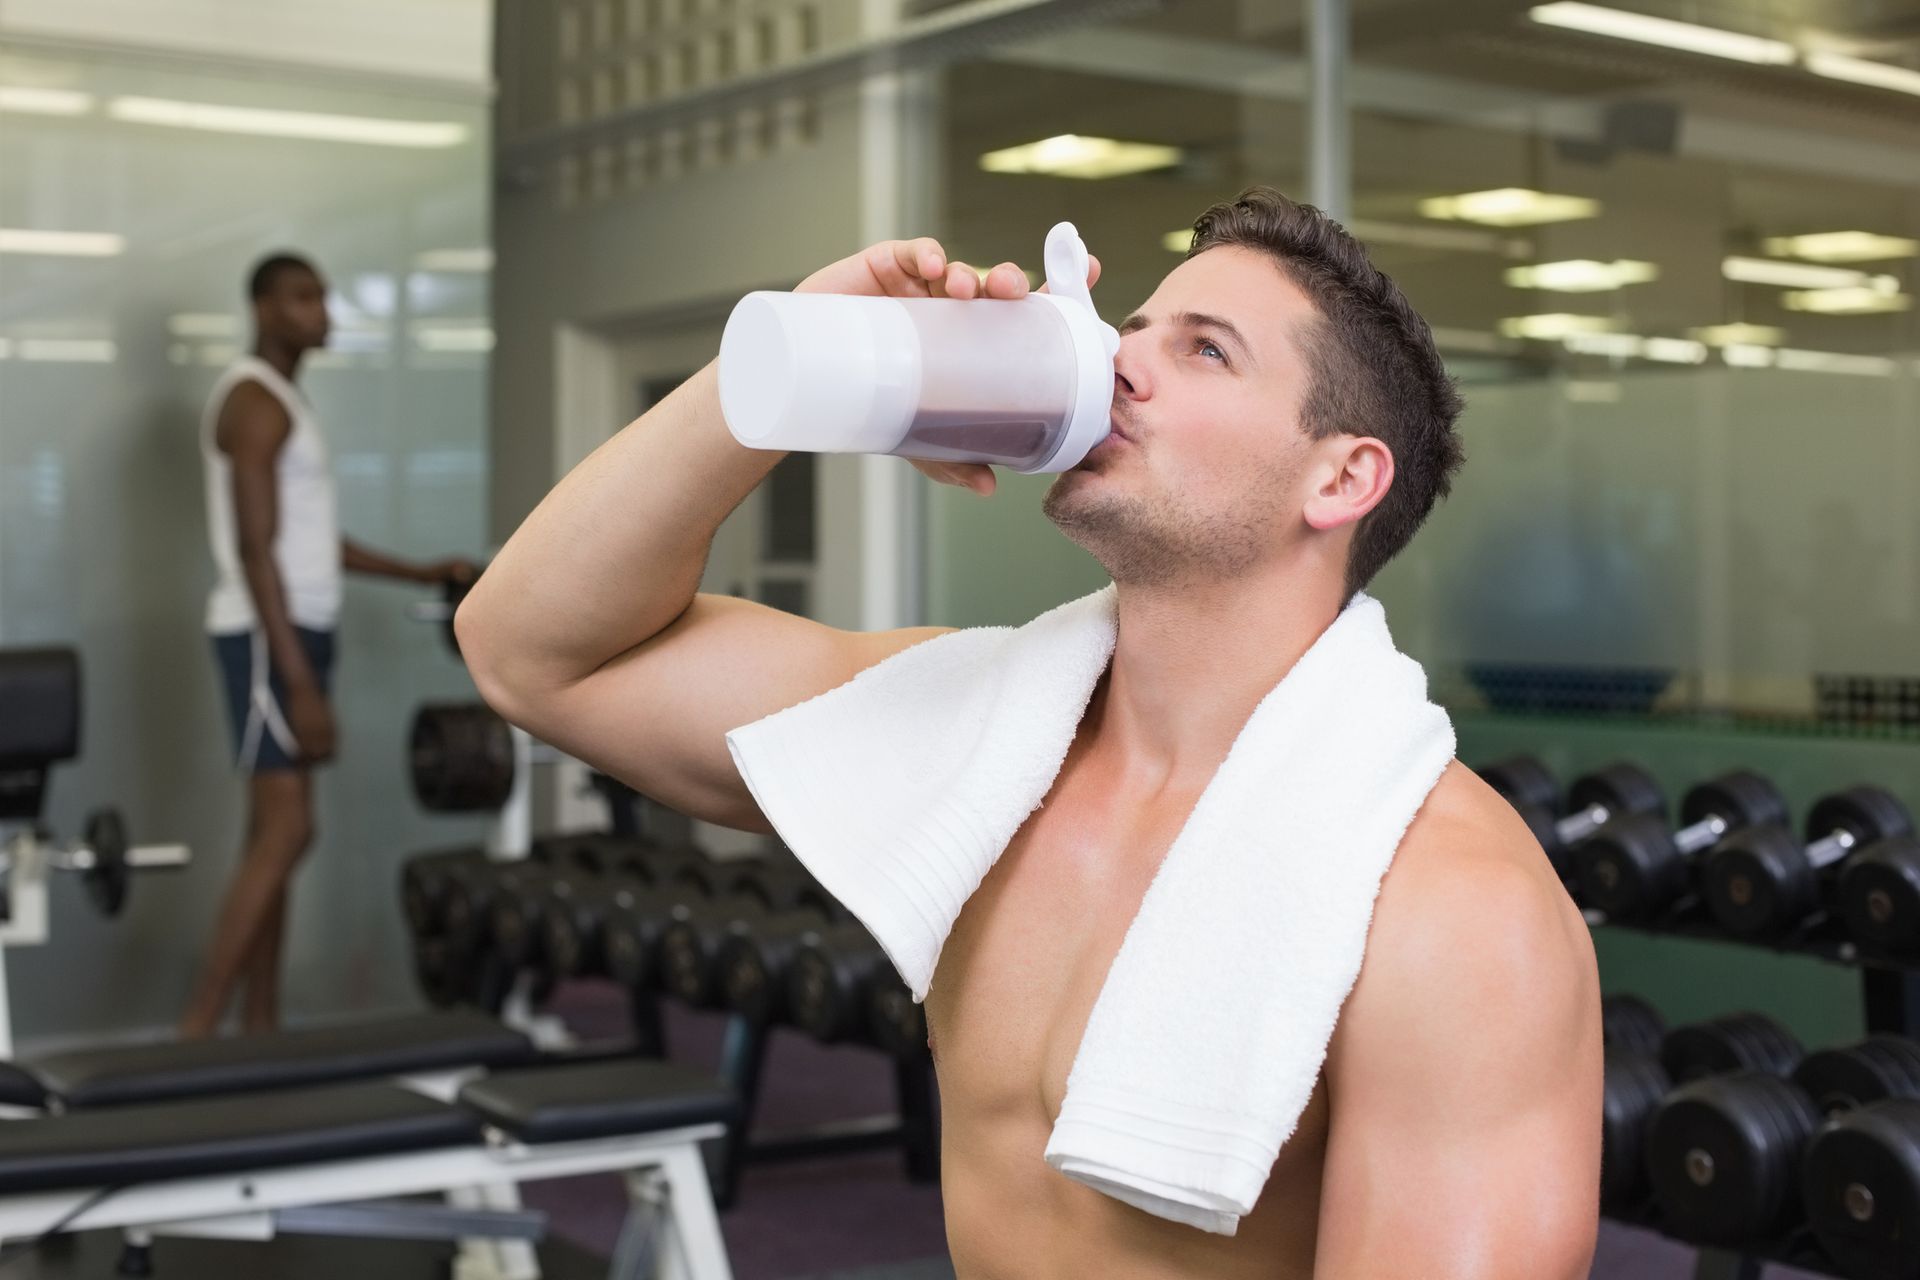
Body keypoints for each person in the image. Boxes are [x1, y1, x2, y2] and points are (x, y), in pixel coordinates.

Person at [457, 188, 1601, 1276]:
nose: (1118, 360)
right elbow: (533, 652)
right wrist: (792, 365)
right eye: (1132, 325)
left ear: (1341, 476)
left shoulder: (1452, 913)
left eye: (1203, 348)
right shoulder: (975, 740)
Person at [185, 252, 475, 1039]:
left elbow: (309, 542)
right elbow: (255, 551)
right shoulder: (254, 403)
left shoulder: (283, 400)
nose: (321, 313)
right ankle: (195, 1033)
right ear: (263, 307)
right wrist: (299, 684)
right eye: (303, 298)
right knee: (289, 831)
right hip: (266, 634)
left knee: (271, 834)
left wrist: (420, 570)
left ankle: (262, 1025)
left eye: (322, 298)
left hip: (296, 625)